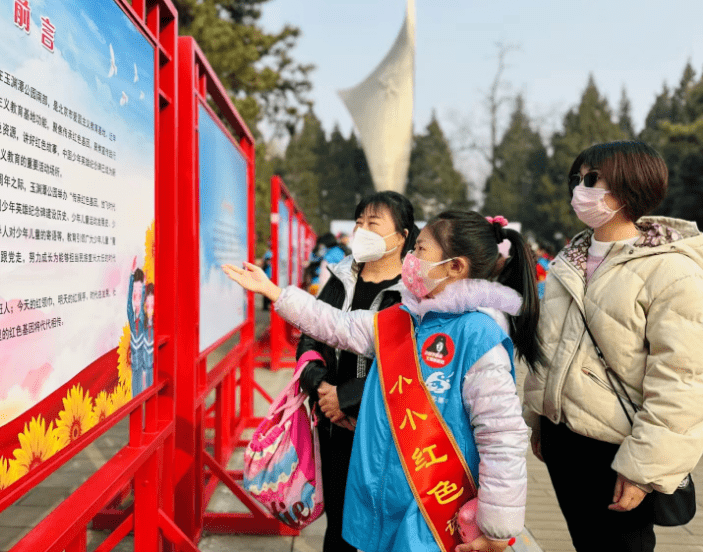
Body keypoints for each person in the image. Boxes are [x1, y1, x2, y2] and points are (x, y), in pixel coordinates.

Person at [224, 210, 542, 552]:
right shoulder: (400, 320)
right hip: (382, 500)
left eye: (420, 250)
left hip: (433, 511)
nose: (410, 259)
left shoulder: (479, 336)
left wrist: (496, 529)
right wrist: (273, 292)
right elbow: (335, 324)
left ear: (455, 267)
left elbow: (501, 435)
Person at [523, 141, 703, 552]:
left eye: (591, 180)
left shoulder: (672, 269)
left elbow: (682, 381)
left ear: (630, 187)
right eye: (577, 179)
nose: (579, 190)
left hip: (620, 449)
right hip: (562, 437)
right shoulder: (569, 258)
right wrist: (537, 416)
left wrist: (644, 468)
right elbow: (550, 347)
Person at [295, 191, 418, 552]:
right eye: (359, 222)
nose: (361, 230)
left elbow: (411, 363)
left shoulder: (413, 293)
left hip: (387, 430)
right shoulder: (339, 280)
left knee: (387, 524)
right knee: (340, 522)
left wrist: (348, 397)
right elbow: (309, 339)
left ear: (402, 237)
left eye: (373, 223)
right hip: (335, 428)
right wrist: (323, 389)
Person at [127, 260, 146, 397]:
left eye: (140, 296)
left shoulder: (143, 317)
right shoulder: (131, 316)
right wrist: (132, 275)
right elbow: (129, 302)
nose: (136, 299)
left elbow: (142, 294)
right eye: (135, 296)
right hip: (135, 365)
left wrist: (142, 285)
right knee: (135, 395)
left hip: (145, 364)